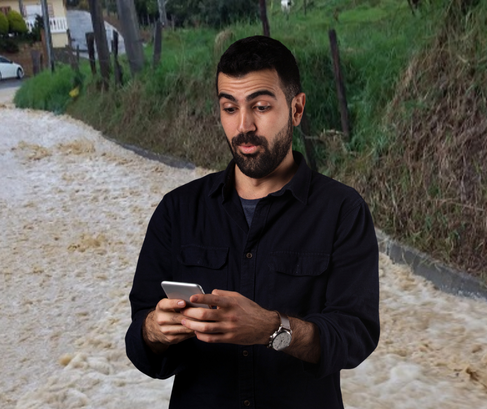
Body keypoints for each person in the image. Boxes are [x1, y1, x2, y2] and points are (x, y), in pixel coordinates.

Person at [125, 35, 380, 408]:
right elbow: (139, 342)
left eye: (260, 107)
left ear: (296, 109)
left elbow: (355, 335)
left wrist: (272, 329)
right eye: (230, 108)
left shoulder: (342, 210)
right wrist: (154, 330)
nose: (243, 125)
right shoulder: (177, 210)